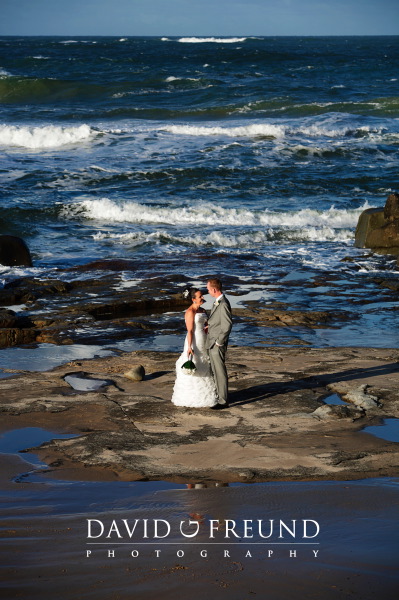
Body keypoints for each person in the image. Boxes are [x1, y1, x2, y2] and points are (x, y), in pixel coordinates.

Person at [171, 288, 218, 408]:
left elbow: (205, 325)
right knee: (195, 362)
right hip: (194, 340)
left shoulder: (202, 310)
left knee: (204, 364)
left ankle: (207, 395)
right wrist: (190, 347)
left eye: (202, 296)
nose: (202, 298)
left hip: (204, 339)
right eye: (200, 296)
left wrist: (208, 328)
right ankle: (191, 397)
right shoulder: (190, 312)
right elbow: (190, 331)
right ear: (193, 299)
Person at [206, 278, 233, 409]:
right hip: (211, 342)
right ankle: (218, 397)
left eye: (208, 289)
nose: (207, 291)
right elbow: (217, 322)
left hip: (217, 344)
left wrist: (219, 342)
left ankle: (223, 401)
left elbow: (227, 325)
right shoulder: (218, 302)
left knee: (220, 372)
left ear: (214, 289)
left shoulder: (223, 304)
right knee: (215, 371)